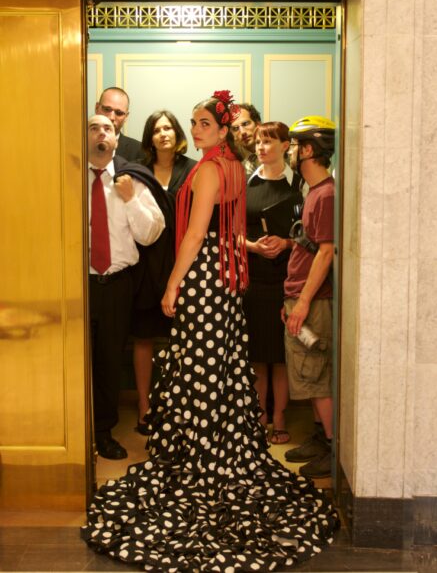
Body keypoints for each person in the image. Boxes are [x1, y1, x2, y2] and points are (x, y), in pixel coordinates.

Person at [82, 97, 338, 571]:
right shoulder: (236, 169)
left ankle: (201, 455)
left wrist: (174, 282)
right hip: (227, 278)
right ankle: (222, 446)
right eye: (194, 122)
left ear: (222, 132)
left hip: (202, 277)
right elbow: (228, 231)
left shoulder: (206, 172)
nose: (195, 129)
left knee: (199, 366)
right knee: (220, 365)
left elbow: (196, 236)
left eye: (204, 123)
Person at [87, 114, 165, 459]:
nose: (102, 132)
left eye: (109, 128)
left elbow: (151, 234)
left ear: (118, 140)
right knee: (73, 361)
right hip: (75, 286)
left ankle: (103, 432)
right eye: (94, 127)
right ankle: (74, 430)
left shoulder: (133, 180)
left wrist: (131, 198)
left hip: (117, 286)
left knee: (107, 362)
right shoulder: (67, 177)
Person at [132, 110, 196, 434]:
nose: (163, 134)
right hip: (145, 265)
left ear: (177, 133)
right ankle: (144, 406)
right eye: (156, 129)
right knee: (143, 338)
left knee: (182, 339)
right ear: (150, 137)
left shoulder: (194, 169)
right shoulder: (139, 172)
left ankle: (178, 407)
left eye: (168, 128)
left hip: (184, 263)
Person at [283, 116, 335, 479]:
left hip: (312, 302)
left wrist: (301, 302)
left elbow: (326, 252)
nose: (289, 152)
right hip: (300, 297)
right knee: (310, 376)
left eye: (294, 145)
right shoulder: (314, 192)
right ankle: (320, 438)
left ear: (309, 149)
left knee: (316, 376)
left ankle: (332, 448)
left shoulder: (327, 194)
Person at [244, 121, 302, 444]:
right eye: (258, 142)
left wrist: (286, 244)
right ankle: (259, 415)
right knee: (256, 353)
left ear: (285, 145)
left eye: (268, 142)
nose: (262, 148)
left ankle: (279, 416)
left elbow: (312, 237)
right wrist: (254, 246)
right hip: (253, 278)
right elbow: (230, 233)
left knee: (281, 355)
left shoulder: (298, 185)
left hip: (287, 278)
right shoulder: (246, 182)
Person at [95, 87, 144, 161]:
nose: (111, 117)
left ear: (126, 117)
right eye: (107, 109)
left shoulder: (139, 151)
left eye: (119, 113)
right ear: (97, 108)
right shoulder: (77, 144)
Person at [230, 102, 261, 178]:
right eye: (235, 129)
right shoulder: (232, 162)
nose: (242, 132)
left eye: (246, 124)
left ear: (258, 124)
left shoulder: (279, 151)